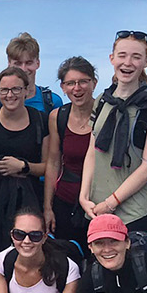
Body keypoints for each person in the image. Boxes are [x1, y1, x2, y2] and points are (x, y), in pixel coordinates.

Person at [79, 31, 147, 233]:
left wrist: (111, 203)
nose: (127, 63)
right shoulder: (103, 100)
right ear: (112, 58)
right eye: (122, 55)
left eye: (136, 57)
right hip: (95, 210)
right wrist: (84, 196)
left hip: (135, 213)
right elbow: (92, 151)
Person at [0, 65, 47, 260]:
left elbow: (49, 166)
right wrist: (2, 168)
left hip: (31, 199)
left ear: (26, 91)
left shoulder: (40, 121)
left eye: (16, 89)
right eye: (4, 90)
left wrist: (23, 166)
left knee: (29, 255)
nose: (10, 95)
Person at [43, 56, 98, 251]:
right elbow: (53, 163)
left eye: (83, 81)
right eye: (71, 83)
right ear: (63, 87)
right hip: (65, 201)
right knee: (65, 261)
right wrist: (48, 207)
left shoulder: (106, 114)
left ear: (94, 83)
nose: (77, 88)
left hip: (99, 203)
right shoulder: (58, 116)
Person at [0, 33, 62, 117]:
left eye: (28, 63)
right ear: (9, 64)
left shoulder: (52, 102)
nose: (23, 69)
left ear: (38, 63)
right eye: (18, 63)